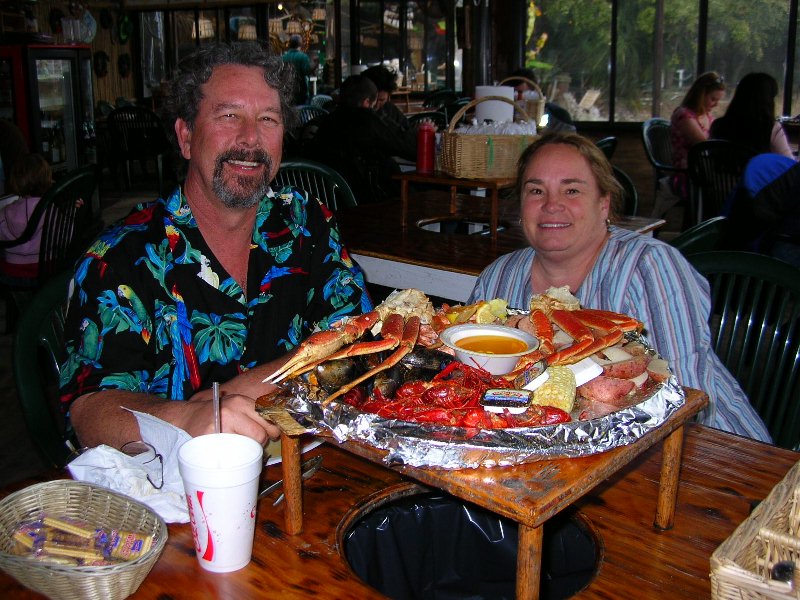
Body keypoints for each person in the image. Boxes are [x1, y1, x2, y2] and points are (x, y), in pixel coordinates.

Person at [59, 42, 372, 450]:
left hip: (308, 475)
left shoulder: (308, 226)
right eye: (229, 115)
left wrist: (239, 393)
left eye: (268, 119)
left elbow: (360, 339)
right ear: (186, 136)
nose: (250, 138)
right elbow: (90, 413)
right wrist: (188, 417)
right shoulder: (120, 259)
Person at [468, 132, 771, 443]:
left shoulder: (651, 267)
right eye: (536, 190)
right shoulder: (497, 278)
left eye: (571, 190)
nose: (551, 205)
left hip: (712, 452)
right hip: (551, 454)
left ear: (604, 204)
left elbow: (687, 398)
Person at [303, 74, 416, 203]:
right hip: (363, 204)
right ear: (367, 102)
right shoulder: (368, 121)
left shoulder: (325, 123)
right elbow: (409, 148)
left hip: (326, 201)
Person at [710, 72, 795, 159]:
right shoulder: (771, 128)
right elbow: (789, 163)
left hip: (723, 172)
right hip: (756, 172)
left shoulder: (717, 125)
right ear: (768, 100)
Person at [670, 71, 727, 198]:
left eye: (718, 100)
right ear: (700, 95)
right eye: (713, 99)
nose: (716, 104)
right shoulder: (684, 115)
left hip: (705, 171)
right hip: (687, 175)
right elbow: (704, 145)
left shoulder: (708, 116)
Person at [0, 153, 52, 280]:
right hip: (48, 266)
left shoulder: (5, 212)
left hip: (14, 268)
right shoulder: (51, 208)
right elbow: (68, 234)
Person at [505, 68, 576, 133]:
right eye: (513, 94)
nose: (517, 99)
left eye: (521, 93)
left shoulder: (558, 116)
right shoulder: (504, 115)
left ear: (535, 92)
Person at [362, 65, 410, 132]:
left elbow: (407, 130)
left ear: (388, 96)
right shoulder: (355, 114)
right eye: (371, 99)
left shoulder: (390, 111)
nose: (376, 105)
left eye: (381, 100)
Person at [281, 34, 314, 105]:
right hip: (300, 91)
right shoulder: (303, 57)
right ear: (300, 44)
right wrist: (315, 65)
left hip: (286, 91)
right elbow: (307, 71)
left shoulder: (282, 58)